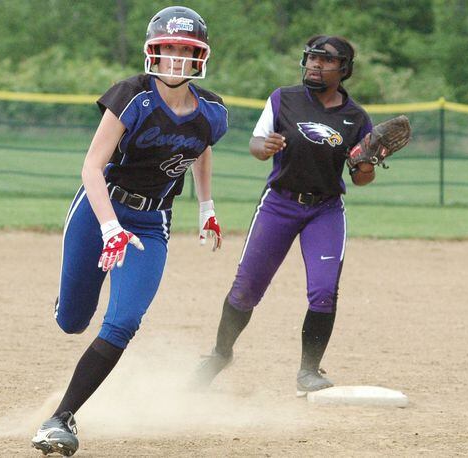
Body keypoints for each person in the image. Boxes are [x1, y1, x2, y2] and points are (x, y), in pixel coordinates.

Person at [30, 6, 227, 456]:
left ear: (200, 56)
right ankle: (69, 299)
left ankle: (60, 418)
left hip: (152, 222)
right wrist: (109, 227)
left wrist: (207, 207)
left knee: (123, 321)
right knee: (73, 322)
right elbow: (91, 168)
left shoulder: (212, 110)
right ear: (152, 51)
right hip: (100, 209)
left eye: (185, 49)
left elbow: (200, 150)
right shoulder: (133, 96)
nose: (176, 57)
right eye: (168, 48)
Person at [193, 35, 375, 396]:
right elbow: (256, 145)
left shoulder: (356, 118)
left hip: (325, 209)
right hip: (279, 204)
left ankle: (308, 371)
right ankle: (220, 354)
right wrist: (267, 147)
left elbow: (362, 177)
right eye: (311, 58)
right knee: (245, 290)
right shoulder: (283, 99)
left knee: (324, 291)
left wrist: (366, 161)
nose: (315, 66)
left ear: (345, 69)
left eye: (325, 61)